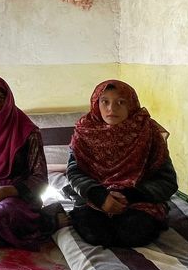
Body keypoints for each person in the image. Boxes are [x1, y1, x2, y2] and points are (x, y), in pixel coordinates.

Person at [0, 75, 67, 250]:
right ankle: (34, 223)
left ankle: (49, 217)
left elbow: (39, 178)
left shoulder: (28, 132)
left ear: (9, 98)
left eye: (1, 99)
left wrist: (5, 191)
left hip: (20, 194)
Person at [66, 79, 177, 247]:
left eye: (121, 102)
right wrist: (100, 196)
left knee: (133, 232)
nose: (112, 108)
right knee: (95, 233)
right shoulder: (85, 132)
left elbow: (167, 181)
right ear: (96, 103)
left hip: (138, 200)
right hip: (95, 198)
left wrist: (129, 195)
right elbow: (74, 173)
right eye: (105, 102)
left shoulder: (148, 132)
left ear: (131, 104)